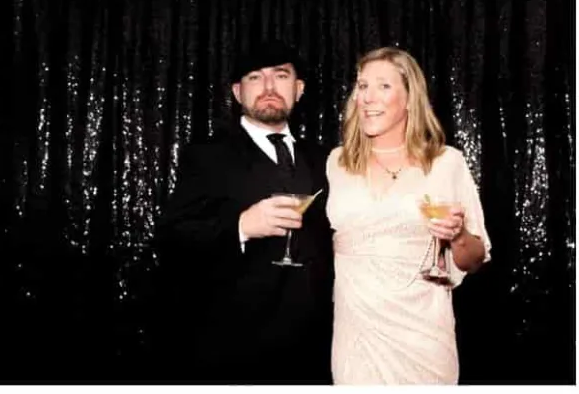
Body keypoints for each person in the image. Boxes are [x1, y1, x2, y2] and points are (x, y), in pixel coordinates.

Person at [157, 39, 332, 384]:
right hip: (235, 352)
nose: (268, 87)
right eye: (255, 77)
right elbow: (171, 238)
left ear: (298, 89)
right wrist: (240, 226)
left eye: (280, 76)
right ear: (238, 93)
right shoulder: (206, 156)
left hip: (313, 353)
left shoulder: (326, 159)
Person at [328, 47, 490, 383]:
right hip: (357, 334)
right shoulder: (337, 162)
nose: (368, 97)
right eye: (362, 86)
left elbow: (474, 259)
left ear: (409, 99)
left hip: (423, 336)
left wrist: (458, 235)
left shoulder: (446, 162)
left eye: (384, 86)